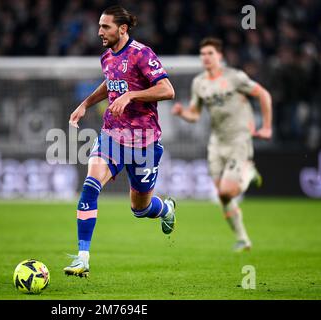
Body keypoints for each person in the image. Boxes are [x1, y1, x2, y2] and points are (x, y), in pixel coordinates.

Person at [64, 5, 176, 277]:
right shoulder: (107, 58)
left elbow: (167, 89)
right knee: (90, 186)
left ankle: (167, 209)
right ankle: (82, 258)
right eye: (100, 26)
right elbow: (109, 83)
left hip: (144, 142)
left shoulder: (141, 53)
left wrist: (132, 96)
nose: (99, 31)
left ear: (122, 29)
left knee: (140, 209)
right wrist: (86, 104)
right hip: (112, 135)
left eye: (105, 27)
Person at [171, 37, 273, 252]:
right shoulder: (199, 83)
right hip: (216, 142)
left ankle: (248, 171)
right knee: (222, 195)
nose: (206, 58)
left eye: (210, 53)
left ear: (220, 56)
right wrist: (182, 113)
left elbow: (263, 94)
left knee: (228, 190)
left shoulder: (235, 77)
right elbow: (195, 115)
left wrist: (267, 126)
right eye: (203, 54)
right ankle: (243, 239)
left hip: (239, 138)